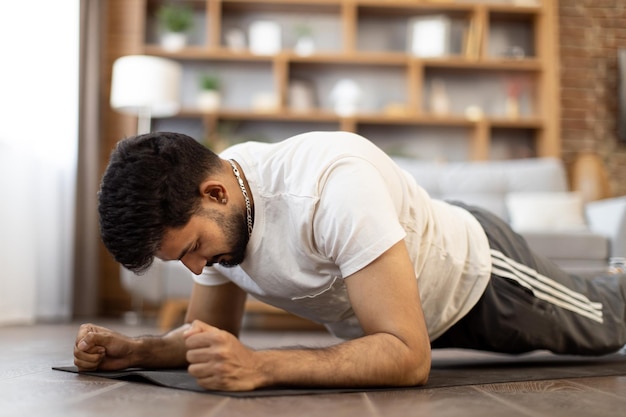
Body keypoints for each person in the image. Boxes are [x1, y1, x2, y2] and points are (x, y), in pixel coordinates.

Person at [74, 131, 626, 392]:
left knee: (608, 322)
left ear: (215, 193)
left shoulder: (331, 188)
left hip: (482, 275)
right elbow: (208, 334)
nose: (199, 270)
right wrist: (140, 350)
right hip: (412, 292)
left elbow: (409, 358)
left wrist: (262, 365)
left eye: (193, 249)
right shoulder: (217, 206)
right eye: (182, 262)